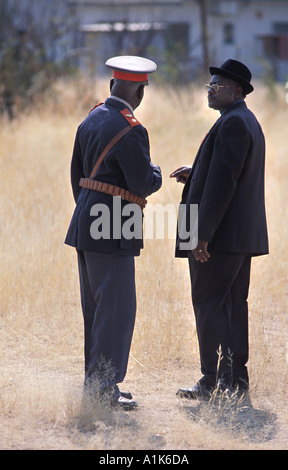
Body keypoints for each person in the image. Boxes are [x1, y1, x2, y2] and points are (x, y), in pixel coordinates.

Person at [65, 56, 162, 410]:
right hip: (114, 227)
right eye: (142, 90)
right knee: (116, 310)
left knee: (95, 309)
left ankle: (96, 386)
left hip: (86, 221)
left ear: (111, 86)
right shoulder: (131, 128)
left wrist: (90, 211)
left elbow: (77, 173)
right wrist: (158, 173)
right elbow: (142, 182)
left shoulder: (91, 118)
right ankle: (104, 391)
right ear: (138, 90)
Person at [170, 59, 269, 400]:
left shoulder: (233, 124)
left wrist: (201, 234)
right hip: (235, 237)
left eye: (218, 85)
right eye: (208, 84)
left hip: (220, 238)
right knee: (230, 305)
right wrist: (195, 171)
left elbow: (224, 183)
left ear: (238, 91)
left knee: (209, 304)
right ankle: (234, 383)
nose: (210, 90)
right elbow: (224, 174)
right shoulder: (241, 120)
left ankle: (211, 380)